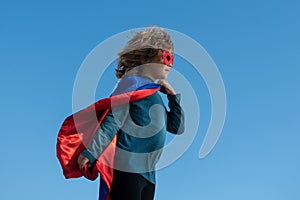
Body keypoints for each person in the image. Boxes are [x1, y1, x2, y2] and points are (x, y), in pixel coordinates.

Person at [63, 26, 184, 200]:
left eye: (173, 59)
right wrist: (91, 152)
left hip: (149, 175)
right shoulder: (132, 85)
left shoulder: (151, 93)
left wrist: (173, 97)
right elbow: (113, 120)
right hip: (128, 168)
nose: (170, 64)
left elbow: (177, 127)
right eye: (166, 56)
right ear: (146, 57)